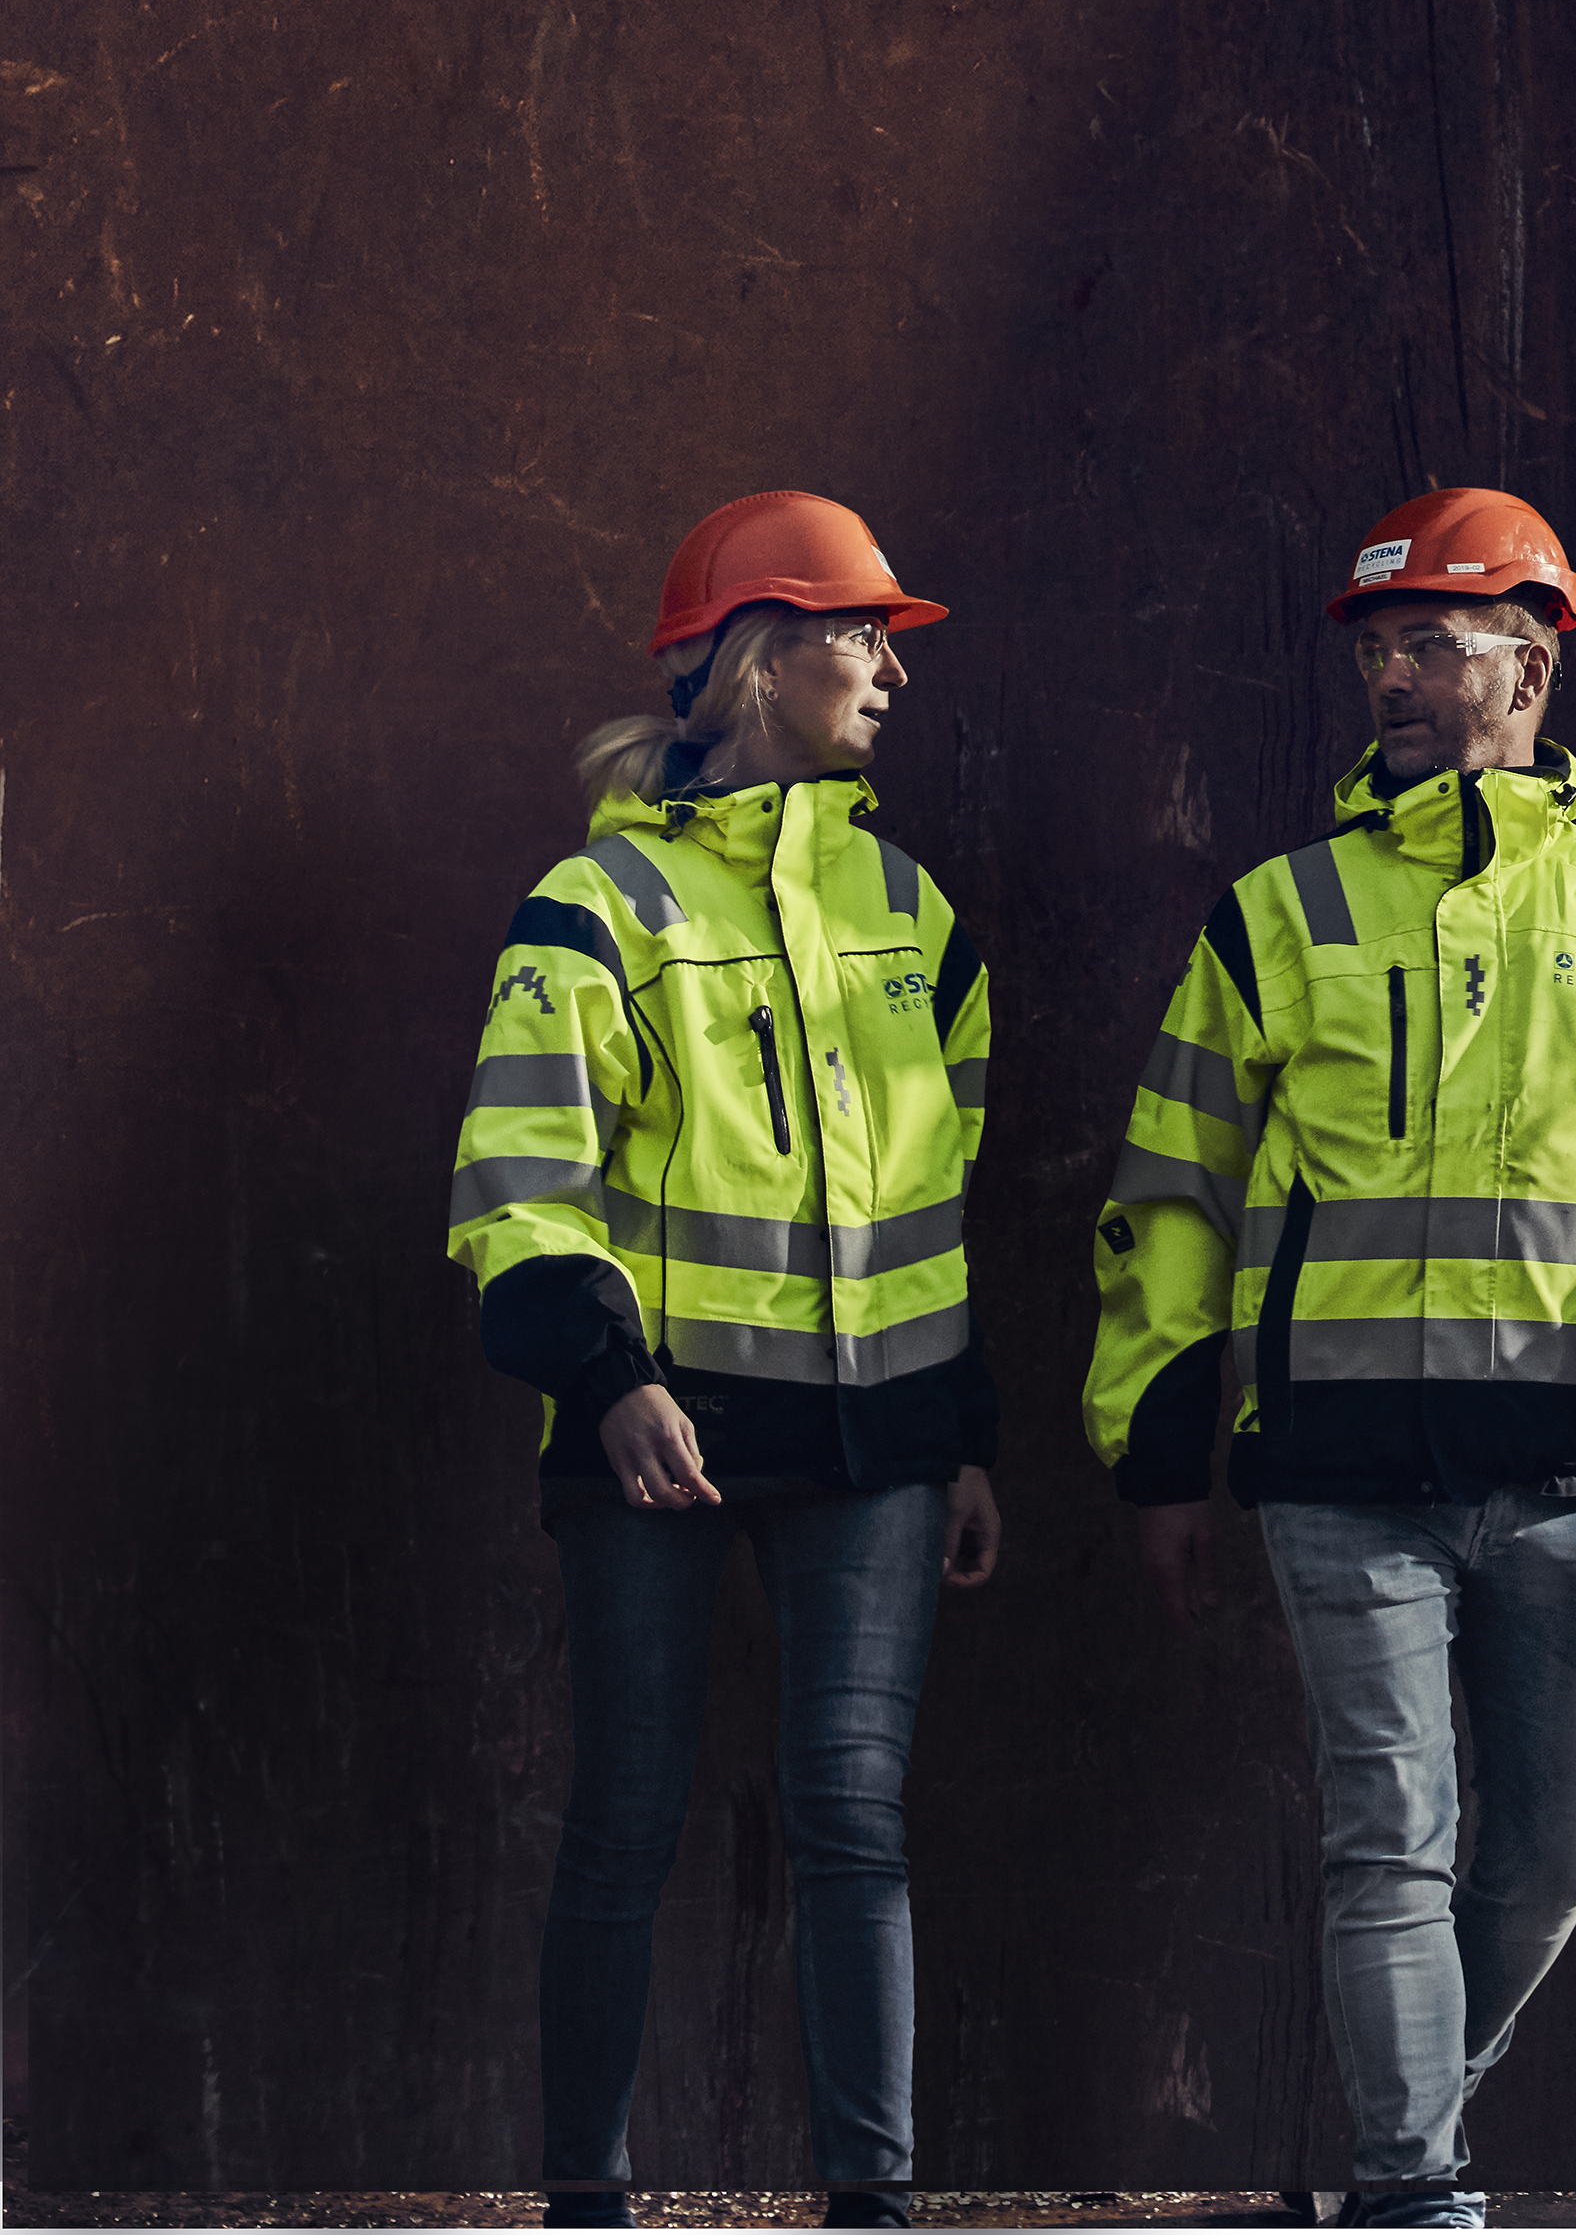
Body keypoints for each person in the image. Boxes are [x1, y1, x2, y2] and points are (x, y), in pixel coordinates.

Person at [1086, 485, 1576, 2231]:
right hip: (1340, 1474)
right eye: (1377, 646)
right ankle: (1417, 2195)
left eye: (1426, 643)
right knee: (1391, 1836)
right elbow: (1171, 1185)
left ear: (1527, 663)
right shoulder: (1279, 912)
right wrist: (1163, 1450)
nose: (1388, 674)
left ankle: (1408, 2138)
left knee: (1553, 1855)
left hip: (1567, 1467)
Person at [447, 491, 1004, 2232]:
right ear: (761, 659)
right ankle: (585, 2204)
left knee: (855, 1814)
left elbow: (943, 1192)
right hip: (653, 1438)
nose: (888, 672)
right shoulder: (593, 903)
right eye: (859, 635)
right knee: (625, 1811)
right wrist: (609, 1379)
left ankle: (873, 2208)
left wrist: (959, 1430)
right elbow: (519, 1178)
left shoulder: (913, 912)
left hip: (881, 1450)